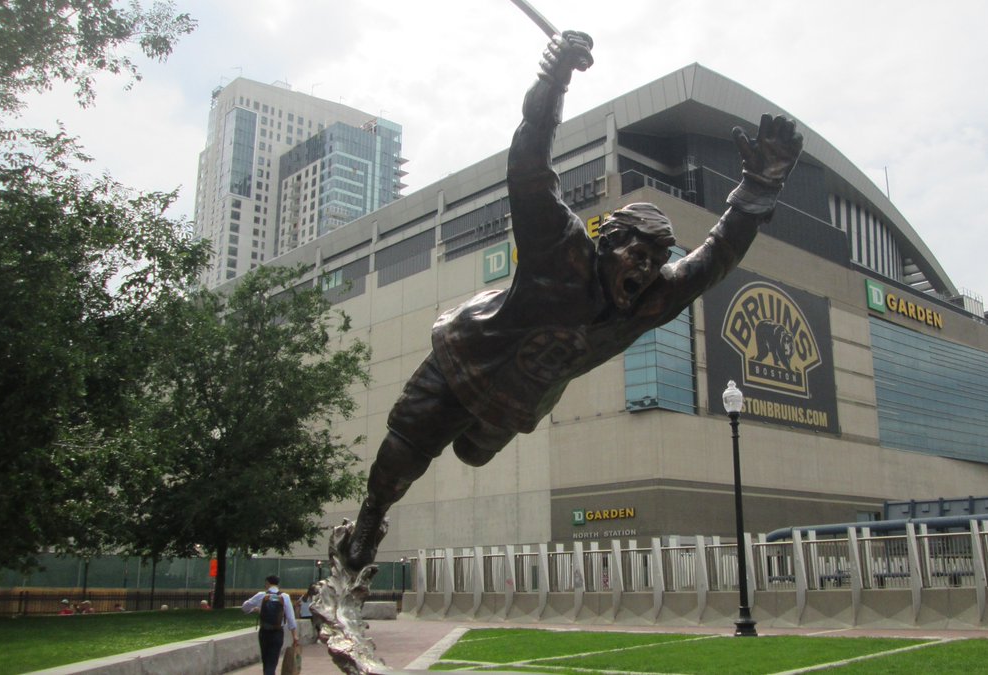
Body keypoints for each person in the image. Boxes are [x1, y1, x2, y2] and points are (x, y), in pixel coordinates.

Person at [342, 30, 803, 572]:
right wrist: (553, 77)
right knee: (409, 448)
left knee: (471, 451)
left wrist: (756, 190)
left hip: (517, 399)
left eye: (658, 261)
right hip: (468, 353)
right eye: (639, 253)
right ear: (607, 240)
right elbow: (530, 161)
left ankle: (433, 464)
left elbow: (715, 257)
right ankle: (368, 525)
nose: (648, 269)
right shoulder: (560, 250)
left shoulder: (649, 302)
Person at [241, 574, 298, 675]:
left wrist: (254, 609)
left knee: (266, 660)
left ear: (267, 583)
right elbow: (290, 618)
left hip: (264, 632)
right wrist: (295, 636)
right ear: (278, 584)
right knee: (273, 660)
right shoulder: (284, 597)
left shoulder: (261, 595)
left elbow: (244, 607)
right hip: (277, 632)